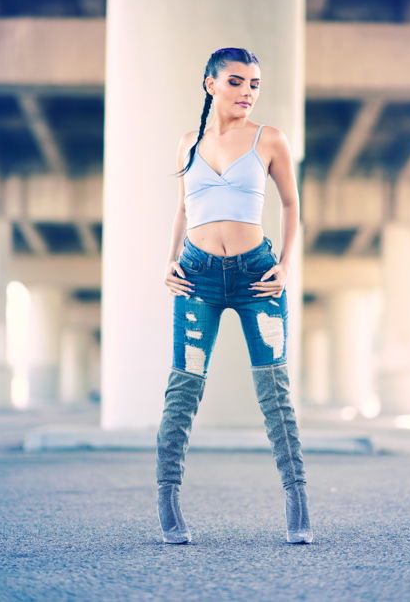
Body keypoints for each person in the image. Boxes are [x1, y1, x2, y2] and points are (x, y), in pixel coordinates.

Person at [156, 47, 314, 545]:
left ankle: (298, 505)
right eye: (236, 82)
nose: (247, 92)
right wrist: (170, 258)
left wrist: (286, 265)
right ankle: (167, 502)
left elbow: (291, 204)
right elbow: (184, 209)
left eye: (254, 84)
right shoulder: (187, 144)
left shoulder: (269, 139)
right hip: (197, 276)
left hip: (257, 277)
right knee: (183, 389)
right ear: (211, 85)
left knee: (275, 392)